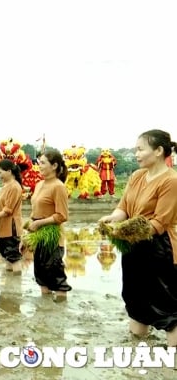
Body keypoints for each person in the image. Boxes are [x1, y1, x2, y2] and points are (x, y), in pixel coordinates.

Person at [98, 129, 177, 345]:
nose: (137, 154)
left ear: (159, 151)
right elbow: (124, 207)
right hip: (132, 246)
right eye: (136, 150)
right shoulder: (136, 176)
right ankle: (138, 350)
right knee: (135, 300)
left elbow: (159, 223)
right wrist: (113, 219)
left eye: (141, 149)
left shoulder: (171, 180)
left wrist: (123, 231)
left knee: (165, 305)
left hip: (159, 248)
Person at [28, 149, 71, 301]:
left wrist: (40, 223)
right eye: (39, 162)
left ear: (54, 166)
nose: (39, 165)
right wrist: (28, 234)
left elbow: (62, 215)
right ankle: (45, 310)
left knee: (55, 276)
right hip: (38, 236)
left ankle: (60, 311)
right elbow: (35, 211)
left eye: (43, 163)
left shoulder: (58, 186)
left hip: (52, 238)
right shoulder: (39, 184)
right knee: (41, 274)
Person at [0, 159, 24, 274]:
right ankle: (8, 286)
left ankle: (16, 285)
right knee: (6, 254)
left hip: (11, 226)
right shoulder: (6, 185)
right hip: (3, 224)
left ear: (9, 171)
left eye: (0, 172)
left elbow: (8, 209)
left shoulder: (14, 187)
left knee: (13, 255)